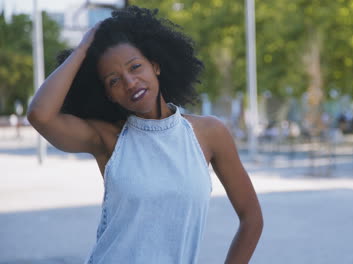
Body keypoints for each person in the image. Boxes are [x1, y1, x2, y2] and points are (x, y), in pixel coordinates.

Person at [27, 6, 263, 264]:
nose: (130, 82)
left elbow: (251, 218)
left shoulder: (209, 133)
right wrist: (83, 50)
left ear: (156, 66)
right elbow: (40, 115)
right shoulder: (108, 138)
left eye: (135, 67)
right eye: (113, 80)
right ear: (108, 94)